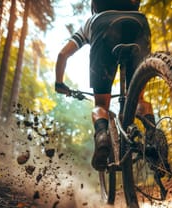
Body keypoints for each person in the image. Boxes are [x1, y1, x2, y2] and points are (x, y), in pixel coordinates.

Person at [55, 0, 151, 171]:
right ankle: (155, 137)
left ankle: (101, 137)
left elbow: (63, 54)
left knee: (101, 106)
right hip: (139, 23)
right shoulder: (134, 9)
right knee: (138, 99)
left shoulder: (91, 20)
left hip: (103, 27)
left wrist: (59, 83)